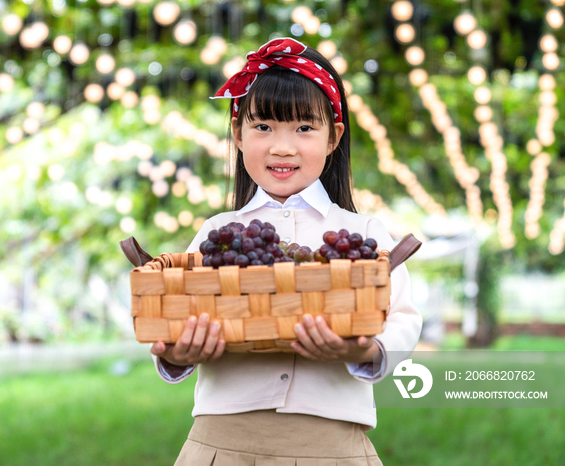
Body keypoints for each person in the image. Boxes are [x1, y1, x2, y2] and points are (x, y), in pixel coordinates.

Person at [150, 37, 422, 465]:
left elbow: (403, 318)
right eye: (263, 127)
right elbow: (177, 313)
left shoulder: (361, 233)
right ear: (238, 134)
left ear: (333, 138)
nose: (282, 146)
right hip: (220, 444)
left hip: (330, 449)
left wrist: (364, 350)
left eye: (304, 128)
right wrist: (176, 355)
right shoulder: (218, 232)